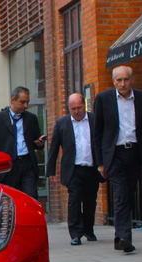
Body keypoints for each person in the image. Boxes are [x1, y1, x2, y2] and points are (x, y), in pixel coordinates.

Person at [93, 65, 142, 253]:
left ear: (132, 79)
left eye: (126, 79)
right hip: (114, 154)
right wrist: (100, 162)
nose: (123, 84)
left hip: (135, 153)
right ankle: (125, 237)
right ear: (113, 81)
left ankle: (119, 237)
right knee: (121, 193)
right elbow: (97, 131)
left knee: (129, 193)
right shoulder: (103, 99)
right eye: (119, 80)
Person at [47, 93, 100, 246]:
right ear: (68, 108)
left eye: (79, 108)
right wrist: (51, 172)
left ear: (85, 106)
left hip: (91, 168)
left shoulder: (94, 120)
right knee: (74, 201)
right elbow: (54, 148)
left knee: (90, 201)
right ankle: (75, 234)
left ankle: (89, 230)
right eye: (73, 108)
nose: (77, 111)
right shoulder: (62, 123)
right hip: (73, 169)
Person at [0, 86, 47, 199]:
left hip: (27, 164)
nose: (26, 106)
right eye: (22, 102)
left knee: (31, 197)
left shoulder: (31, 118)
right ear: (12, 100)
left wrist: (39, 143)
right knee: (9, 199)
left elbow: (34, 141)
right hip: (7, 166)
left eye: (27, 102)